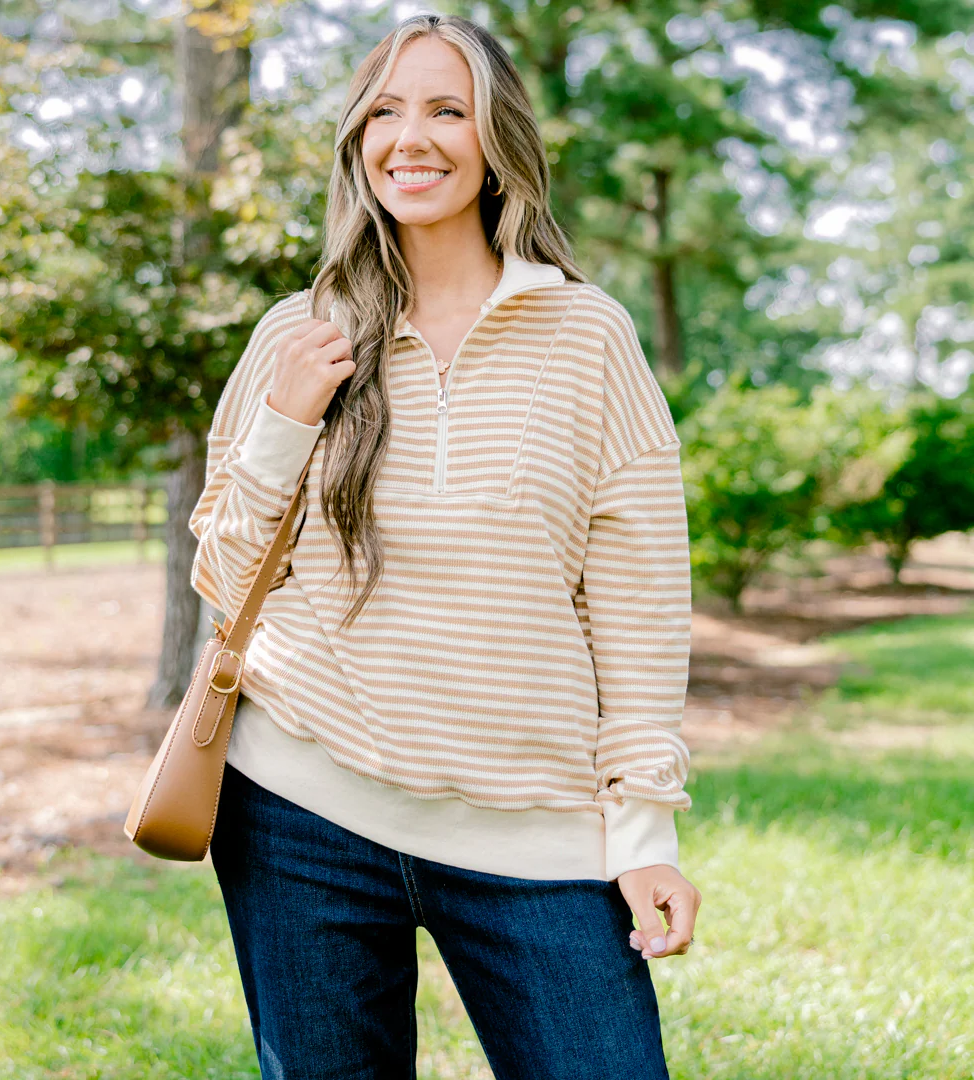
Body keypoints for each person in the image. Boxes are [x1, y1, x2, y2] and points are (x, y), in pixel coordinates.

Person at [187, 12, 702, 1080]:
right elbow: (226, 576)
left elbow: (640, 604)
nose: (408, 138)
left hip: (534, 829)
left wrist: (644, 832)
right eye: (383, 111)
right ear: (357, 142)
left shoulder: (589, 335)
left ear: (496, 141)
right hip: (300, 810)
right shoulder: (299, 332)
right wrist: (284, 421)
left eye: (445, 110)